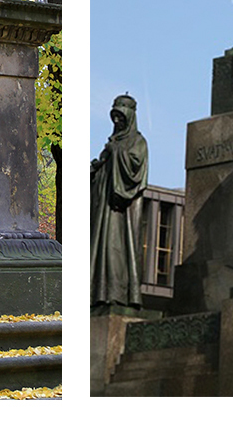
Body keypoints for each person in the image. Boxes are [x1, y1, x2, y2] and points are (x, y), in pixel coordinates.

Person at [90, 95, 149, 308]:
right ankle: (97, 294)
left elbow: (135, 170)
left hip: (119, 209)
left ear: (130, 117)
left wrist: (114, 154)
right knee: (98, 250)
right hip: (103, 206)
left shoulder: (137, 142)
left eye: (121, 117)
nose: (117, 122)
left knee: (116, 250)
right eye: (114, 117)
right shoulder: (112, 143)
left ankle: (117, 293)